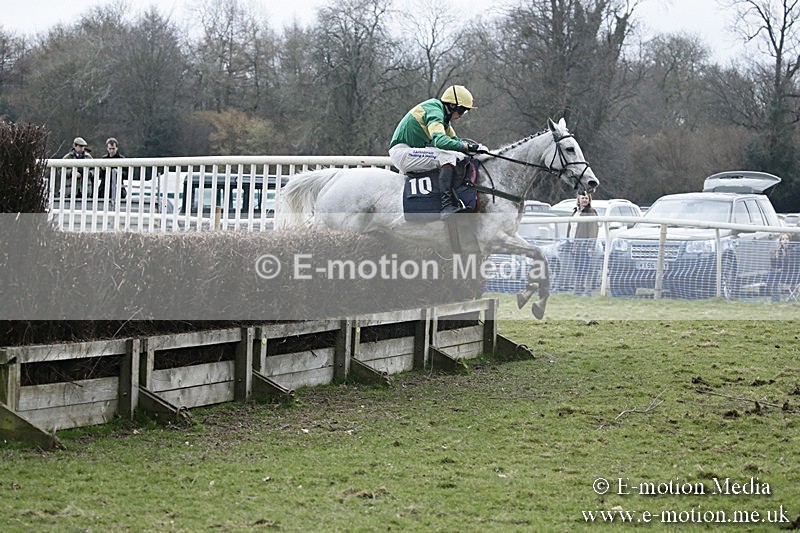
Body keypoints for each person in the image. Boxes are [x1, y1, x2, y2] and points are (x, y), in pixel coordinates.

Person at [389, 85, 485, 219]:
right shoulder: (434, 110)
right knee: (446, 157)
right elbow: (441, 142)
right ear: (451, 106)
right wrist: (468, 147)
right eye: (462, 110)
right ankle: (446, 206)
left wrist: (476, 149)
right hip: (402, 153)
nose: (461, 116)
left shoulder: (444, 120)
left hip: (411, 151)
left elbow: (456, 142)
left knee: (456, 156)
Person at [567, 193, 599, 295]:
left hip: (584, 245)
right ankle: (578, 290)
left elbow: (593, 229)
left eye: (586, 198)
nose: (584, 200)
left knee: (586, 268)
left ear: (589, 200)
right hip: (574, 245)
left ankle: (587, 291)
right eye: (582, 198)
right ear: (578, 199)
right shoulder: (575, 211)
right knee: (578, 268)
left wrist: (590, 245)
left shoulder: (591, 212)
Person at [767, 233, 794, 302]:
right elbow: (776, 266)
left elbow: (790, 264)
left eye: (787, 239)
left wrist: (785, 256)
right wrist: (774, 257)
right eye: (783, 239)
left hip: (793, 274)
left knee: (774, 275)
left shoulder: (795, 250)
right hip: (782, 274)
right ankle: (775, 299)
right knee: (772, 273)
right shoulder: (778, 251)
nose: (785, 241)